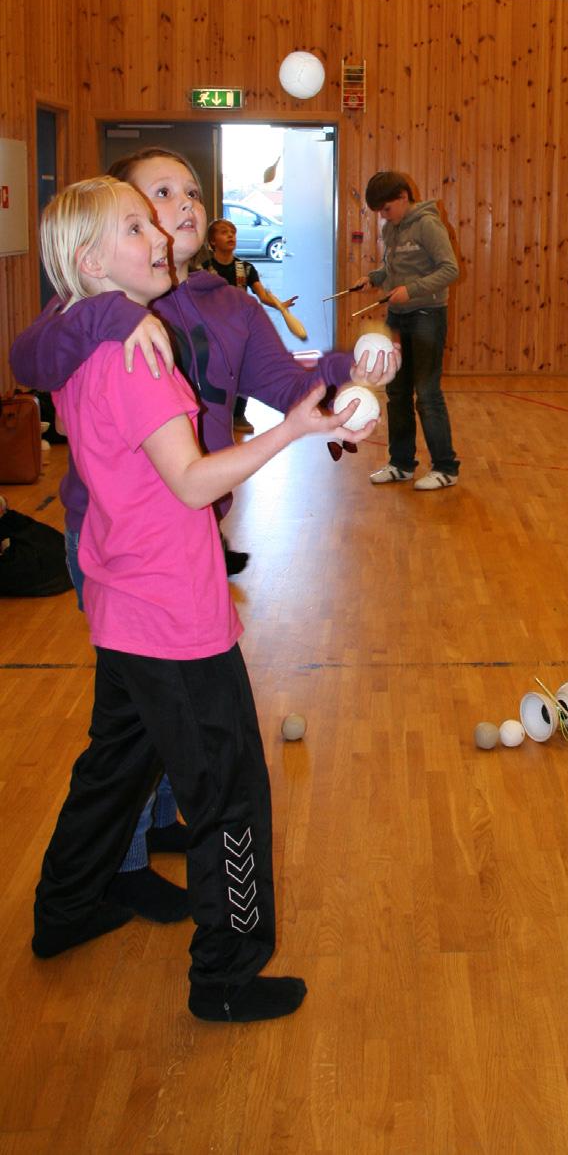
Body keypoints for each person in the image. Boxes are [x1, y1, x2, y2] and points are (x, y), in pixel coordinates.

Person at [11, 146, 397, 924]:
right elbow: (29, 356)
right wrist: (108, 312)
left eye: (190, 191)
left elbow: (288, 387)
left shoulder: (226, 304)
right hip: (119, 545)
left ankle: (123, 852)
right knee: (167, 727)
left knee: (139, 726)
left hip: (182, 540)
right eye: (158, 195)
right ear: (123, 220)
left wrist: (346, 372)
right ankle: (124, 871)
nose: (180, 206)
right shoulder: (102, 306)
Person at [351, 171, 460, 490]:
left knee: (427, 395)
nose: (383, 217)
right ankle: (401, 463)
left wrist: (411, 291)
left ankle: (446, 467)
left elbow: (450, 269)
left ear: (402, 197)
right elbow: (391, 270)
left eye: (386, 209)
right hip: (397, 318)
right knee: (397, 393)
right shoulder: (391, 228)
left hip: (428, 315)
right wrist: (373, 278)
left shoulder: (428, 224)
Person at [204, 217, 298, 433]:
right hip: (213, 331)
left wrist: (280, 305)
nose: (230, 236)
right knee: (216, 373)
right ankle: (218, 416)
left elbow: (262, 295)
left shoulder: (245, 269)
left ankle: (238, 415)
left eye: (232, 232)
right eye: (224, 232)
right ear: (212, 242)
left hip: (239, 330)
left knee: (243, 370)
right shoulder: (203, 269)